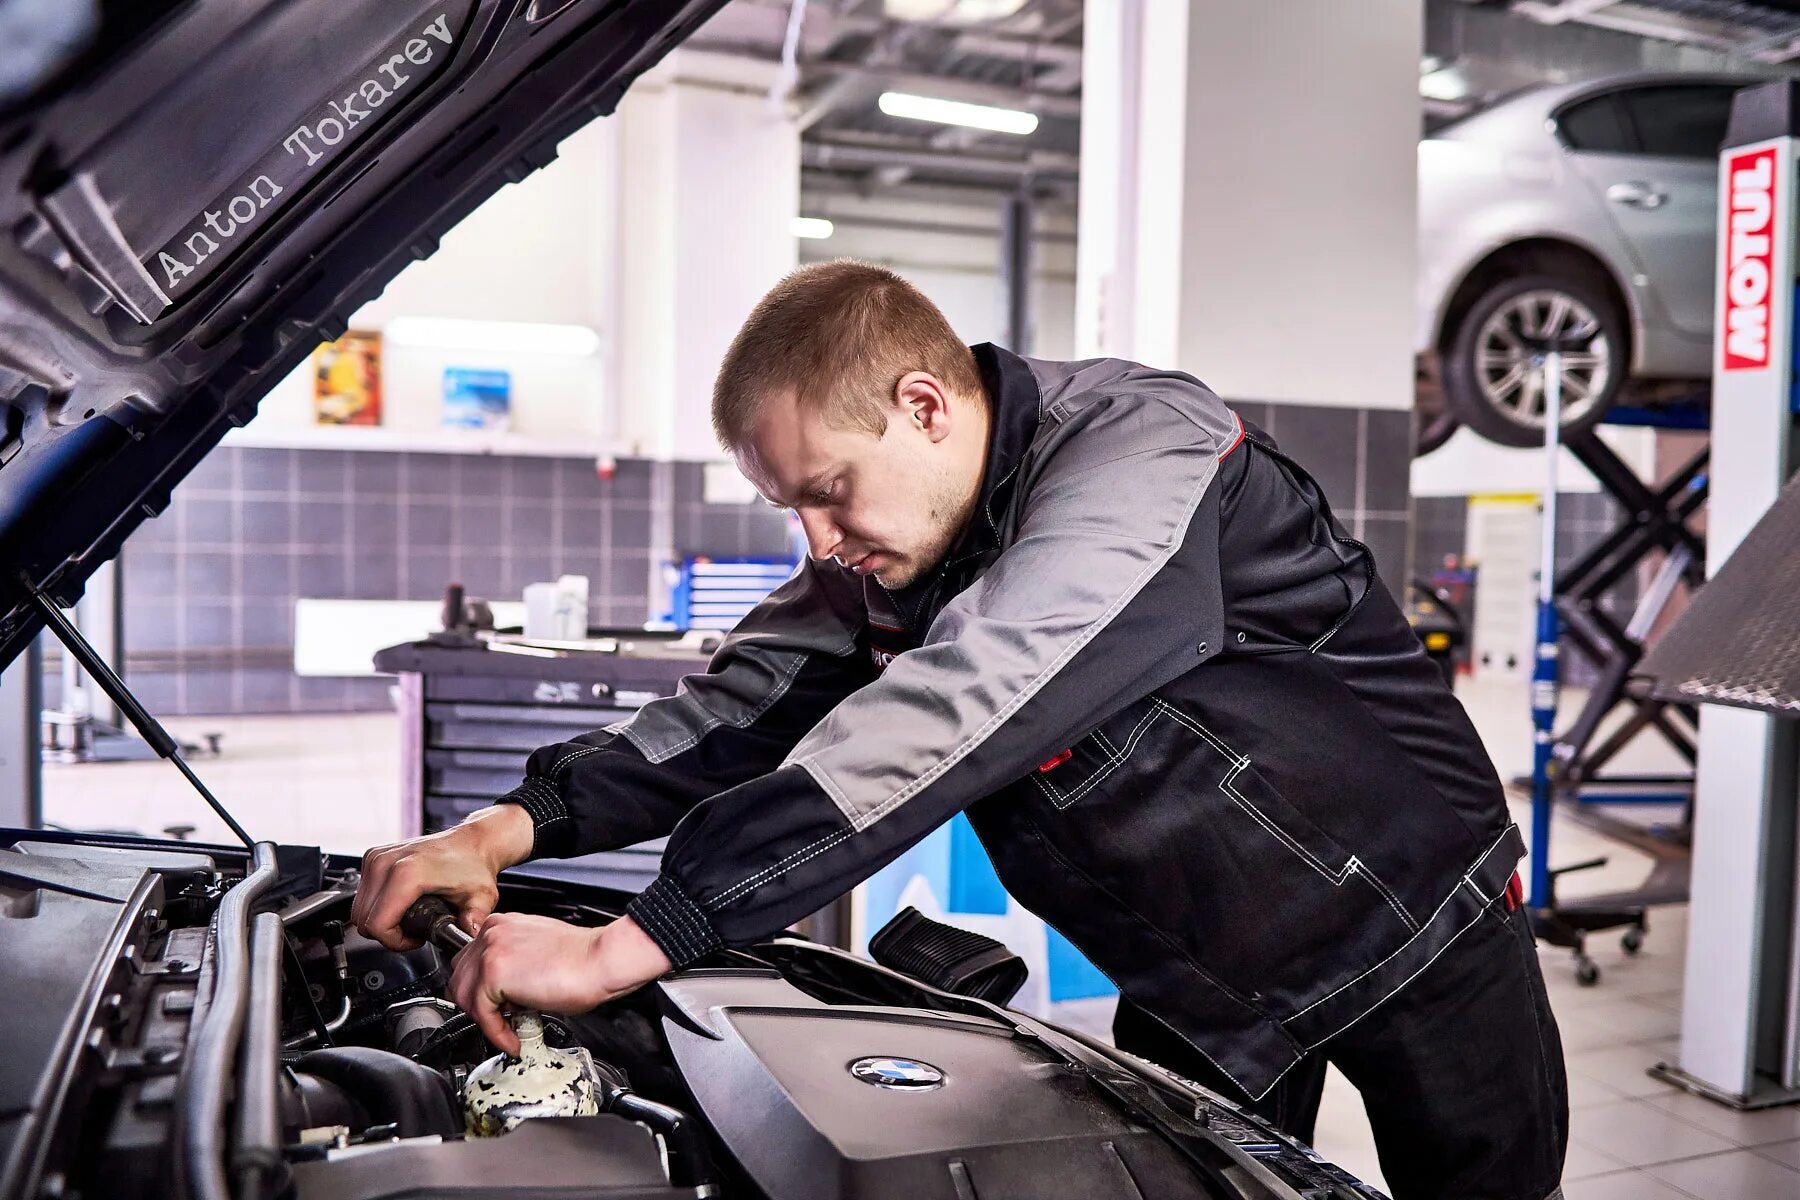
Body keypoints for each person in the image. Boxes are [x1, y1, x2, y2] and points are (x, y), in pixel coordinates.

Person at [353, 260, 1566, 1199]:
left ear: (923, 405)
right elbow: (741, 703)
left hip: (1413, 930)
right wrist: (507, 826)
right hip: (1196, 973)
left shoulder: (1146, 462)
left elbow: (956, 705)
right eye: (792, 510)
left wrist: (627, 946)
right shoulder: (898, 545)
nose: (817, 541)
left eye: (826, 491)